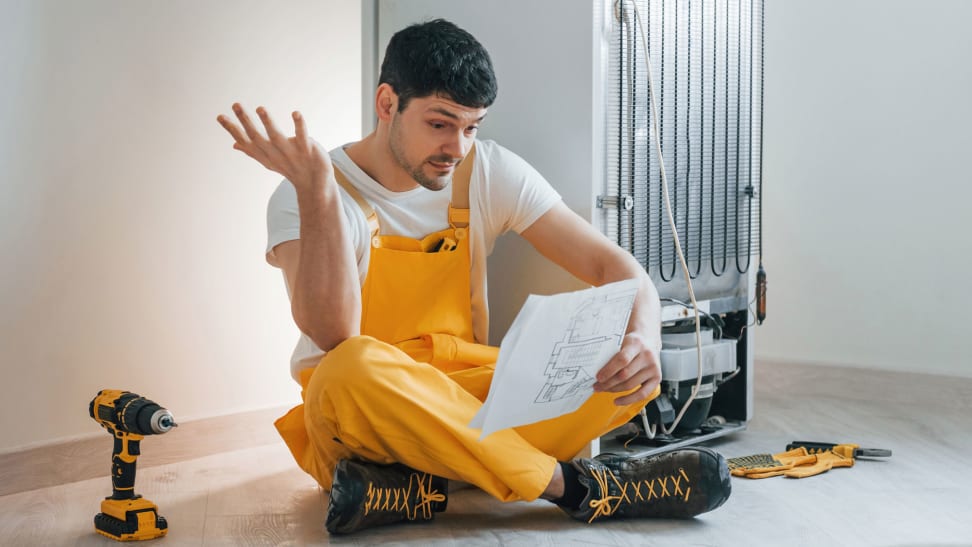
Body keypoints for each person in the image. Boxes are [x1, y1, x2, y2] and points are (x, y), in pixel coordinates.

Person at [217, 18, 730, 535]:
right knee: (347, 365)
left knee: (622, 370)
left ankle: (410, 487)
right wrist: (318, 193)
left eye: (471, 127)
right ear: (387, 103)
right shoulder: (305, 194)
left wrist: (642, 336)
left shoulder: (485, 171)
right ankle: (575, 488)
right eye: (439, 124)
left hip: (468, 400)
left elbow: (614, 268)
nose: (457, 147)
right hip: (365, 417)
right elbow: (331, 333)